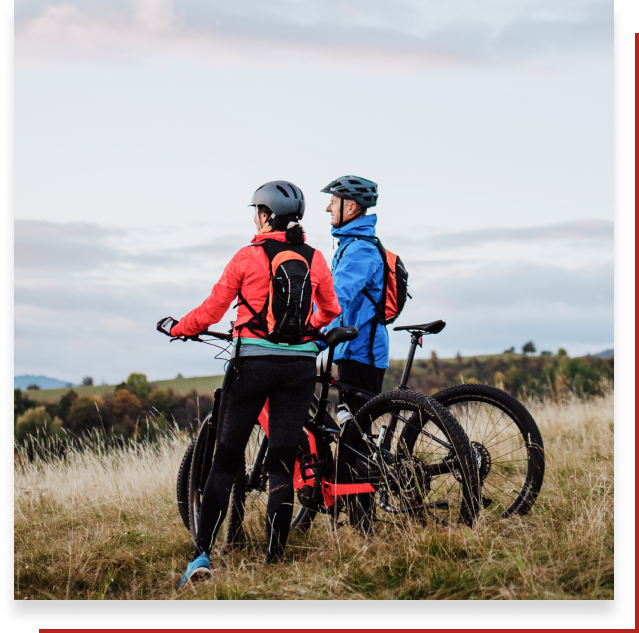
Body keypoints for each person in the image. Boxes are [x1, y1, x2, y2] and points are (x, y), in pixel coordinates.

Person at [157, 181, 341, 587]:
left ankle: (201, 555)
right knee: (280, 462)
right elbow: (331, 309)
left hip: (252, 367)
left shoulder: (248, 256)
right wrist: (306, 329)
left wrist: (178, 328)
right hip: (298, 369)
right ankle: (274, 558)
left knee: (224, 462)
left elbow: (211, 310)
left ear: (264, 215)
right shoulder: (314, 258)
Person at [320, 175, 388, 415]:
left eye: (333, 201)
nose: (328, 207)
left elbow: (337, 297)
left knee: (354, 432)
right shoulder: (351, 245)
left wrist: (311, 333)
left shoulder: (359, 248)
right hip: (352, 348)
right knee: (349, 422)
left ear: (350, 206)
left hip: (362, 352)